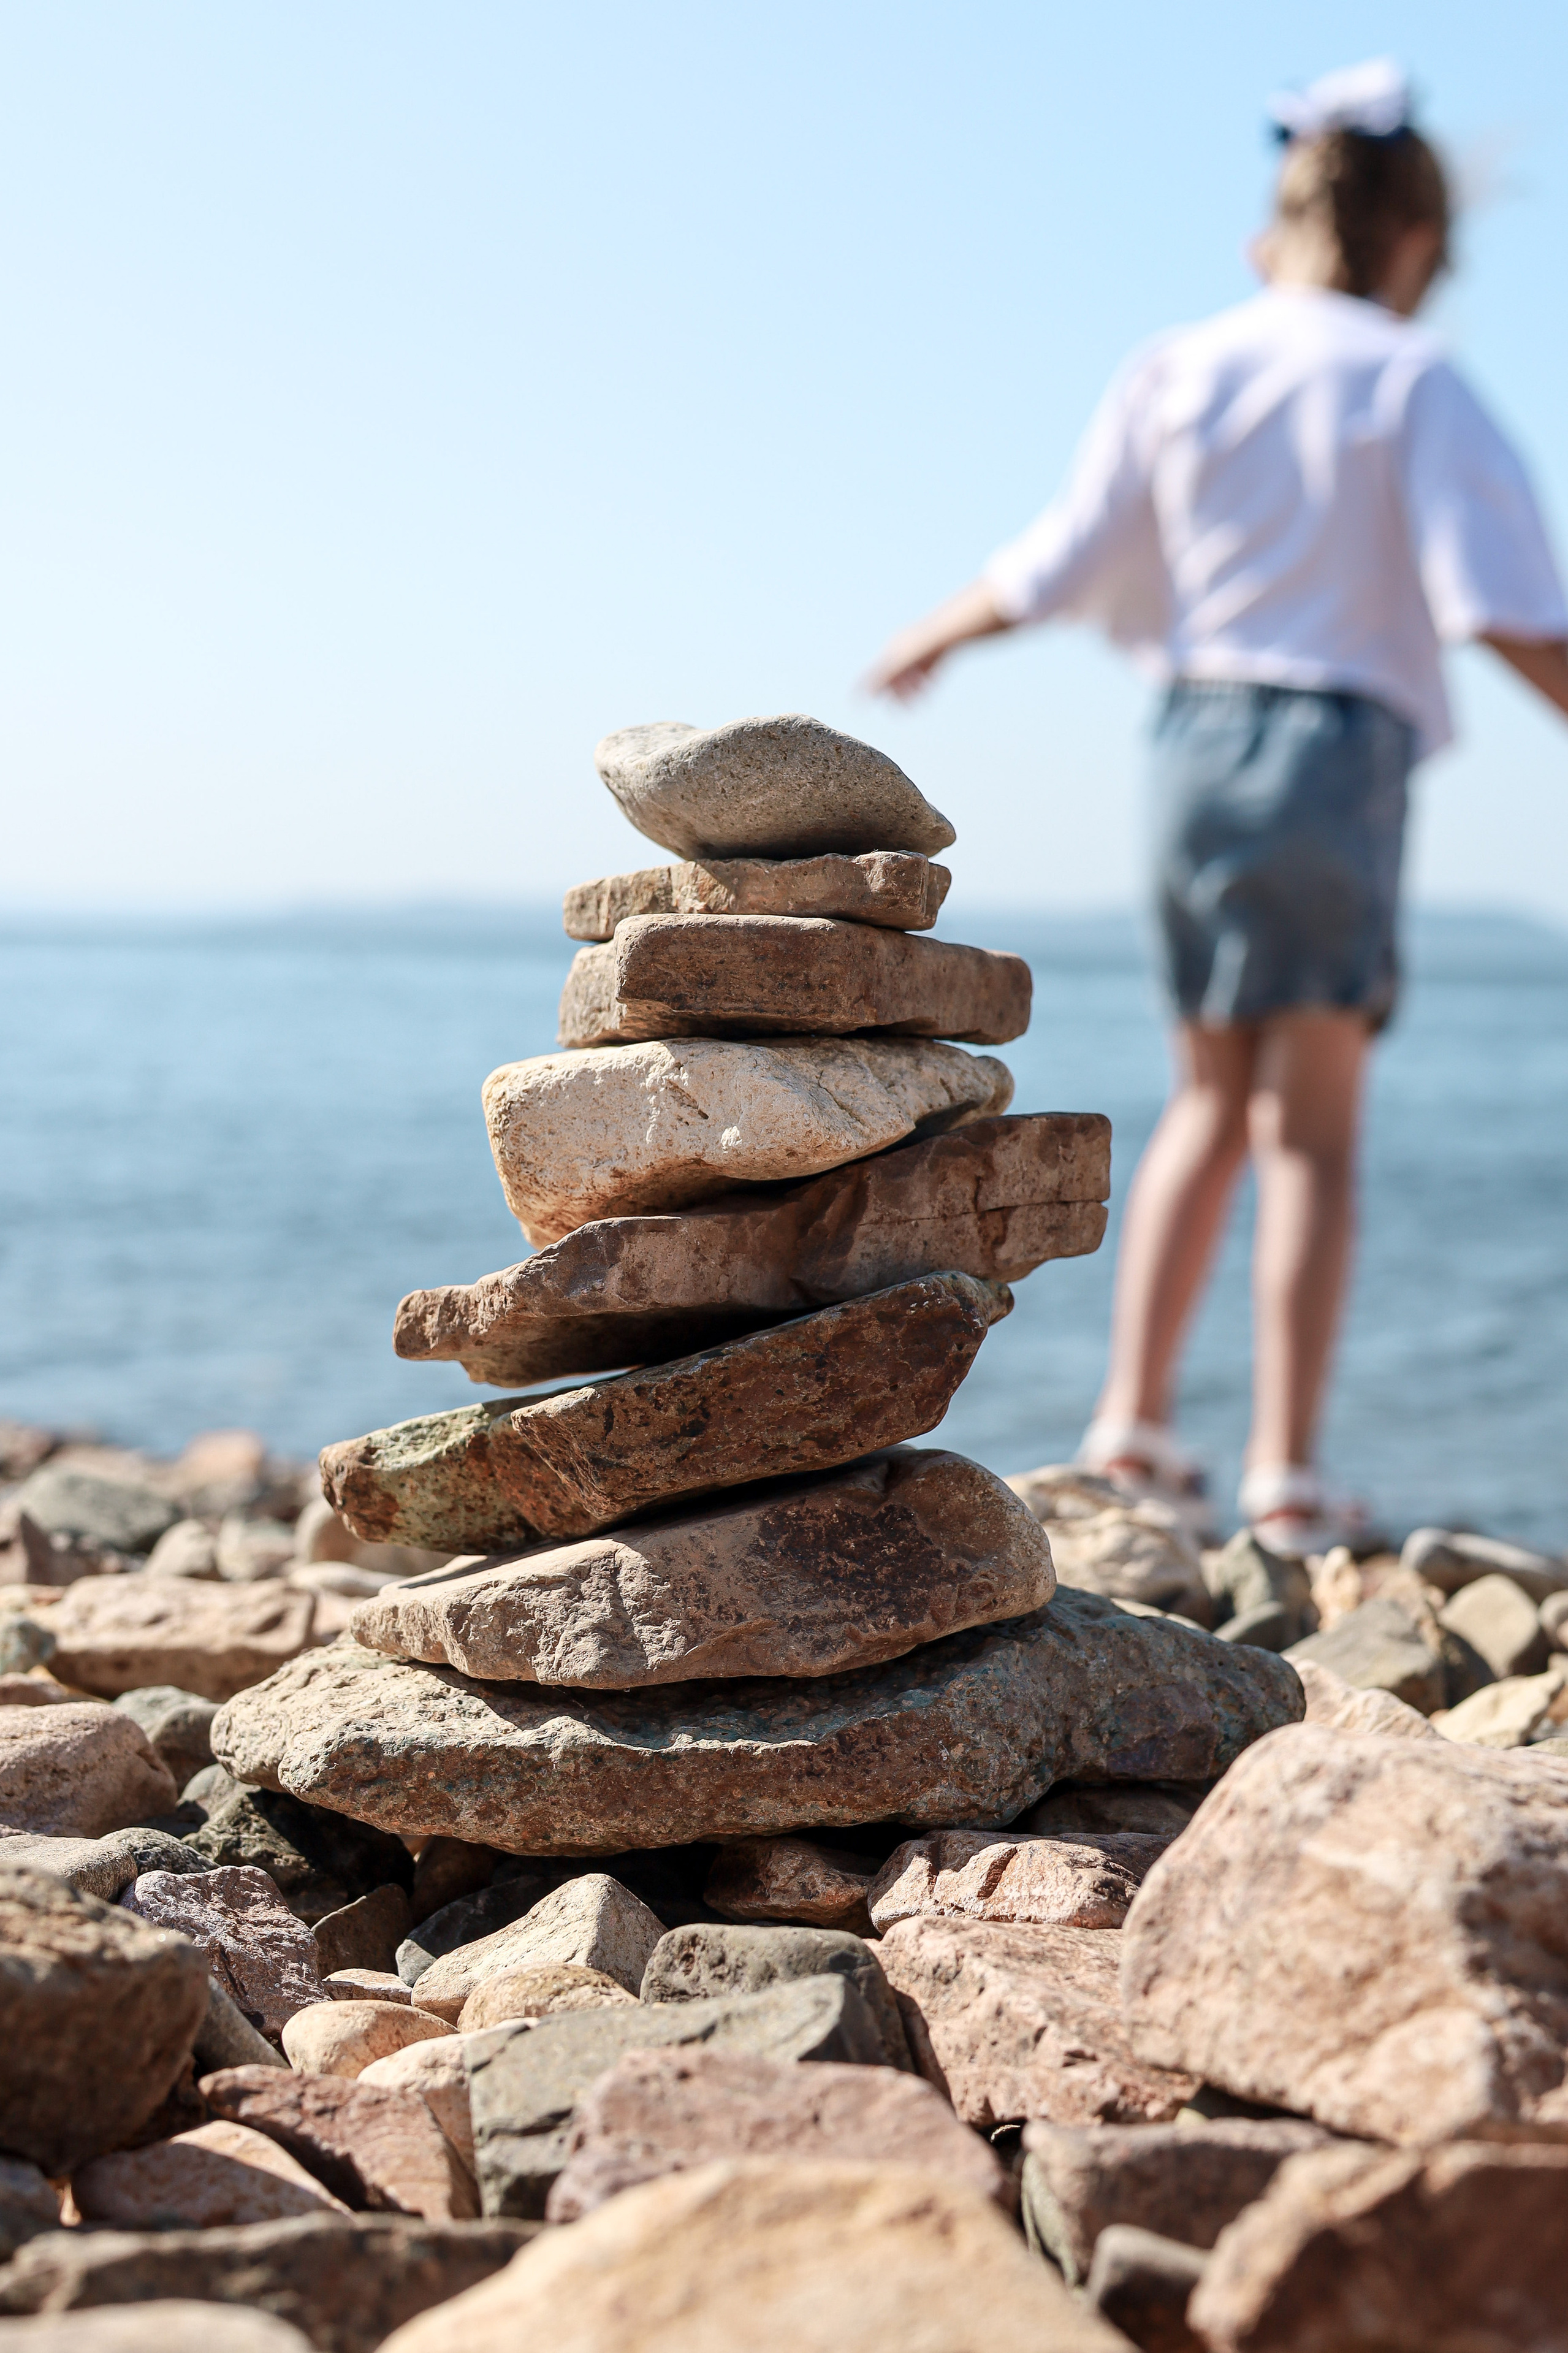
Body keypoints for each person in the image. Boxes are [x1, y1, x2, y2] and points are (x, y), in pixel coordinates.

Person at [868, 59, 1568, 1552]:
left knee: (1204, 1096)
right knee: (1308, 1128)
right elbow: (1500, 602)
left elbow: (1059, 559)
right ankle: (1287, 1475)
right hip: (1329, 748)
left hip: (1185, 746)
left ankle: (1129, 1422)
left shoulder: (1178, 362)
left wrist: (935, 629)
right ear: (1415, 243)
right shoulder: (1404, 374)